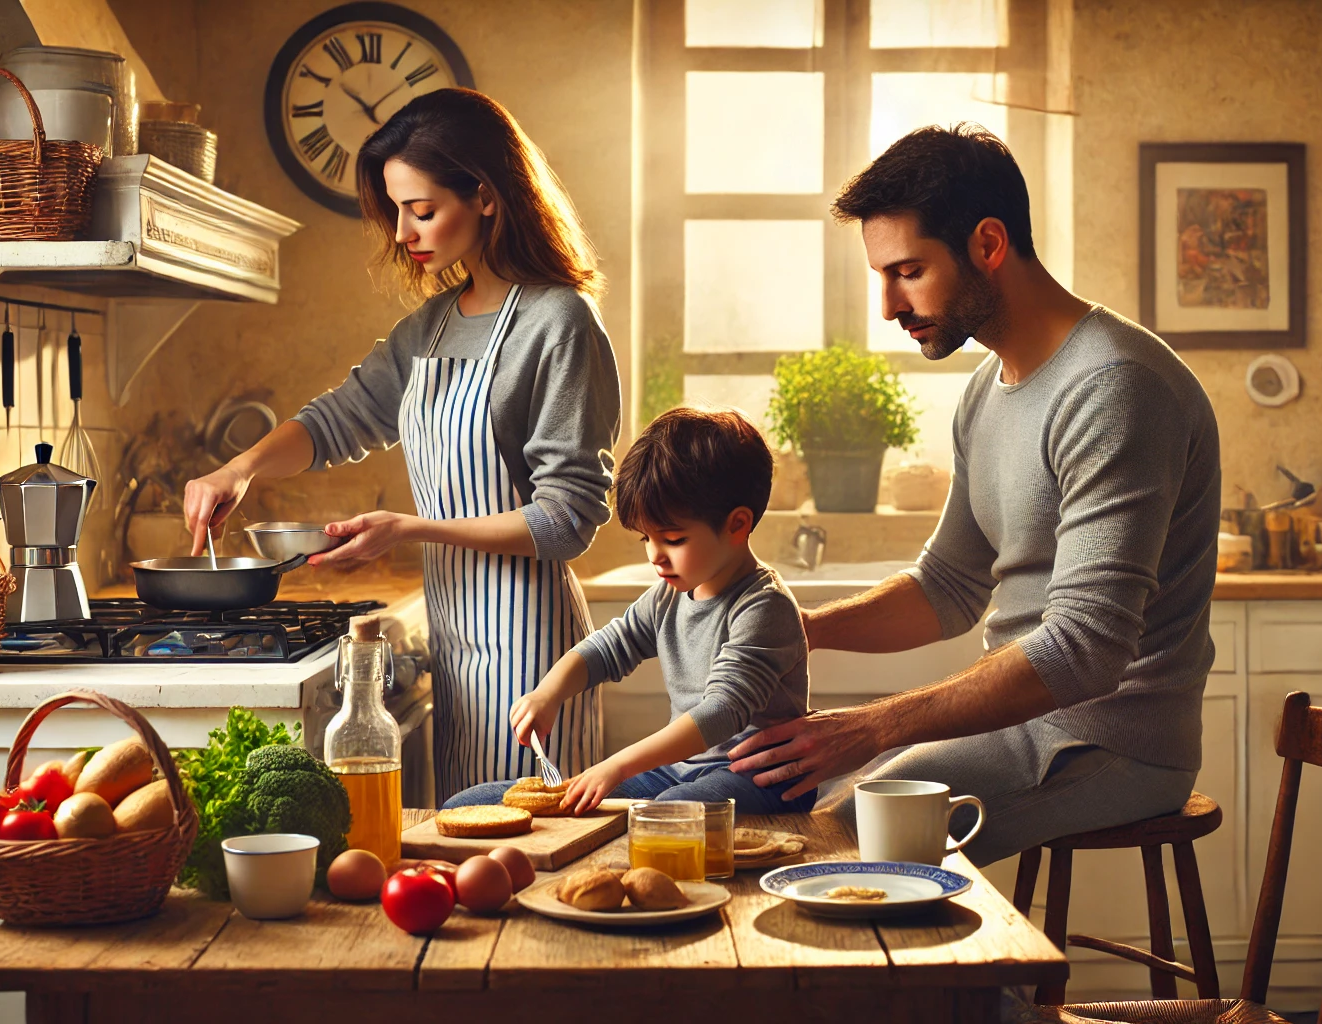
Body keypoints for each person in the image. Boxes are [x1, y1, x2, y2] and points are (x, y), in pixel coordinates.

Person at [728, 125, 1222, 865]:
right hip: (1025, 727)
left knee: (837, 840)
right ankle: (979, 983)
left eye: (908, 271)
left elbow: (1085, 650)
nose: (889, 305)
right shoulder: (985, 392)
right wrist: (802, 629)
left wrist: (872, 727)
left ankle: (992, 987)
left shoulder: (1115, 387)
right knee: (801, 812)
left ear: (989, 244)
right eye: (882, 276)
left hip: (1108, 741)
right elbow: (948, 587)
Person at [182, 88, 620, 801]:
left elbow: (567, 521)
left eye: (422, 210)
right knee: (469, 834)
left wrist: (407, 529)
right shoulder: (433, 326)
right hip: (455, 633)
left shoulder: (559, 322)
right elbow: (338, 419)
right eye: (396, 213)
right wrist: (242, 467)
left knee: (526, 848)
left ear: (484, 195)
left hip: (531, 644)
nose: (406, 232)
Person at [444, 406, 815, 815]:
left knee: (667, 814)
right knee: (470, 805)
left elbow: (720, 713)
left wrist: (616, 766)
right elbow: (609, 647)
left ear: (736, 525)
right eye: (646, 540)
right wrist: (548, 693)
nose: (656, 556)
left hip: (762, 779)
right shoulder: (668, 595)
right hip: (680, 773)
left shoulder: (764, 607)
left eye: (673, 539)